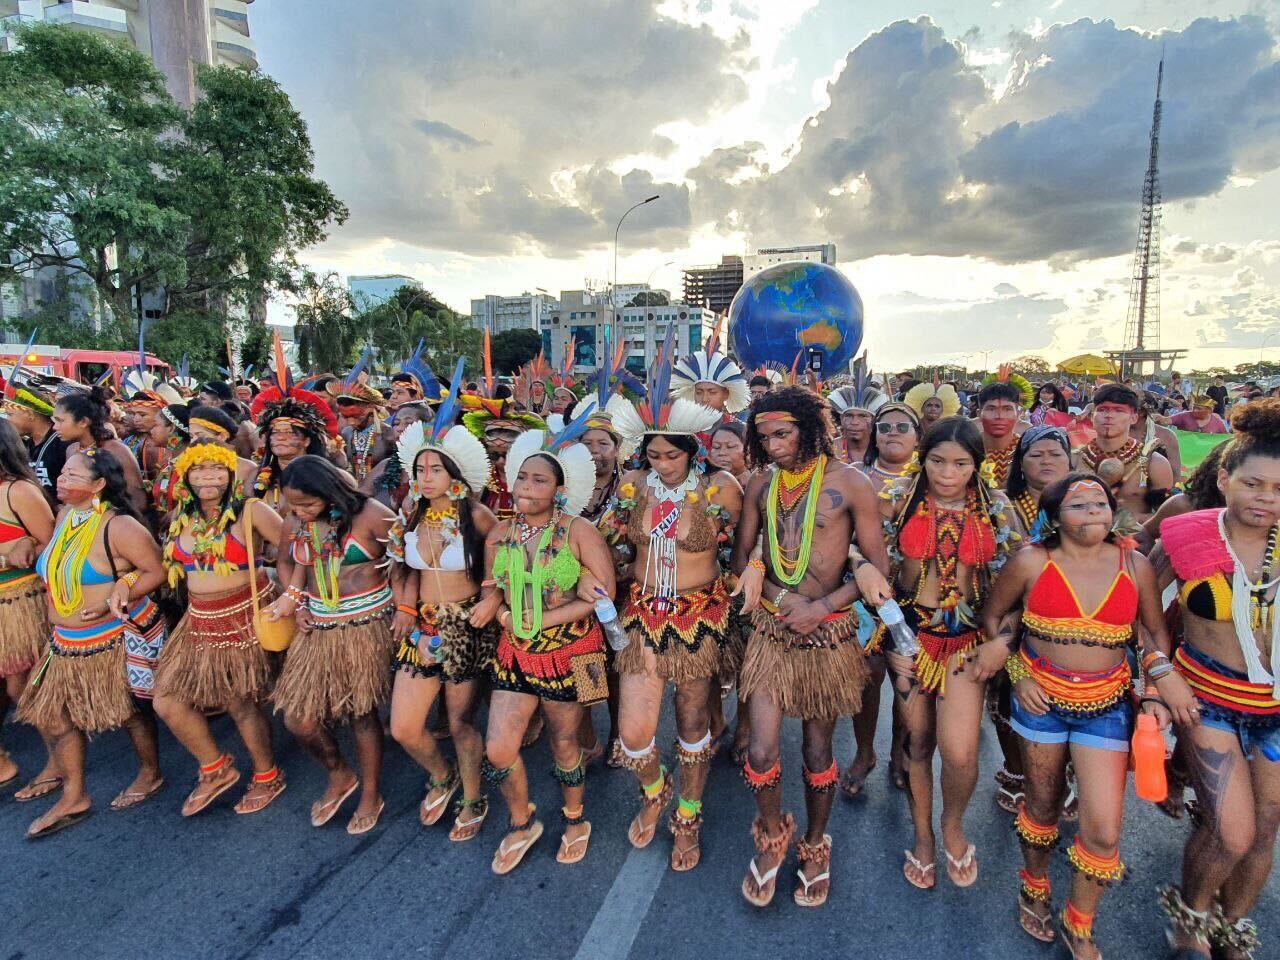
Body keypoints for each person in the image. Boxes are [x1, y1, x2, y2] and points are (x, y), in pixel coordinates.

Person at [976, 474, 1179, 956]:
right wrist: (1018, 673)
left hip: (1107, 706)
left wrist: (1154, 692)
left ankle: (1080, 921)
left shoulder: (1135, 565)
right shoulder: (1031, 561)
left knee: (1104, 831)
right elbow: (994, 617)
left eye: (1099, 503)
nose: (1092, 512)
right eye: (1078, 505)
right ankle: (1034, 887)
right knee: (1042, 807)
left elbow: (1153, 633)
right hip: (1039, 703)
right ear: (1053, 518)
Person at [732, 386, 891, 909]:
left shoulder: (852, 483)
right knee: (760, 750)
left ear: (809, 428)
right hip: (773, 630)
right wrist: (779, 597)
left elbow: (878, 568)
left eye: (782, 434)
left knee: (818, 750)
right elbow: (741, 562)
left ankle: (817, 844)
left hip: (828, 633)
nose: (772, 445)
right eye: (763, 438)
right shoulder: (760, 484)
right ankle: (772, 838)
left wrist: (821, 608)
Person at [1153, 400, 1280, 960]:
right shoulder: (1186, 535)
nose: (1266, 498)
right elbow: (1139, 613)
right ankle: (1192, 919)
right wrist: (1159, 676)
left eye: (1279, 489)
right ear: (1224, 478)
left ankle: (1231, 927)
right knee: (1232, 831)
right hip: (1209, 700)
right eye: (1253, 484)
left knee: (1265, 831)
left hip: (1275, 708)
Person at [603, 386, 742, 872]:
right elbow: (610, 541)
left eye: (672, 455)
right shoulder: (633, 485)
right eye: (654, 455)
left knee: (692, 723)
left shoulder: (720, 488)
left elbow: (741, 549)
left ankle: (688, 815)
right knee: (633, 732)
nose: (662, 464)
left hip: (699, 618)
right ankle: (655, 790)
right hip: (642, 614)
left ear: (692, 450)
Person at [472, 421, 615, 874]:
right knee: (498, 749)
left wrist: (541, 621)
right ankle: (522, 822)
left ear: (559, 490)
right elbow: (492, 587)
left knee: (565, 742)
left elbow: (605, 594)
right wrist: (500, 612)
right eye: (522, 477)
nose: (526, 487)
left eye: (539, 480)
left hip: (572, 652)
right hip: (515, 652)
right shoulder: (500, 533)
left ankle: (575, 818)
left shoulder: (579, 531)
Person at [882, 416, 1014, 891]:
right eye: (937, 461)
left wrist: (1002, 641)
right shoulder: (899, 500)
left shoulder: (996, 508)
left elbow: (1020, 578)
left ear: (977, 464)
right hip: (910, 637)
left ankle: (952, 825)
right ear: (923, 458)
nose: (947, 473)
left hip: (966, 643)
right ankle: (922, 835)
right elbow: (862, 554)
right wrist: (870, 582)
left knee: (959, 753)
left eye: (961, 463)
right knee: (918, 744)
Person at [17, 449, 169, 837]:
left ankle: (150, 772)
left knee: (128, 712)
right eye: (62, 473)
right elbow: (57, 561)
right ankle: (75, 795)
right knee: (53, 715)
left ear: (99, 484)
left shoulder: (119, 526)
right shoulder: (65, 516)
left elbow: (156, 571)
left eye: (72, 475)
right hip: (65, 640)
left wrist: (123, 586)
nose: (61, 480)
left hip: (110, 637)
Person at [386, 386, 499, 841]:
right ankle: (441, 773)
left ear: (454, 474)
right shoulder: (410, 515)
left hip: (466, 627)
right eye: (420, 469)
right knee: (403, 728)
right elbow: (405, 569)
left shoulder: (478, 516)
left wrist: (491, 601)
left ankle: (473, 796)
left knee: (460, 723)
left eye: (435, 469)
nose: (426, 477)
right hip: (422, 626)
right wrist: (405, 607)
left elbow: (496, 572)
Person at [153, 444, 288, 816]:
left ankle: (267, 775)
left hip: (242, 614)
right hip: (199, 620)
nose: (208, 476)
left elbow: (294, 551)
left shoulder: (251, 510)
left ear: (231, 475)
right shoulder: (181, 516)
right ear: (186, 477)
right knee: (166, 700)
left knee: (239, 702)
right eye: (199, 470)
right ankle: (215, 768)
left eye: (217, 469)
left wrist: (291, 595)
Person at [269, 456, 397, 834]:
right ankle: (340, 775)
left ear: (329, 492)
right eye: (293, 505)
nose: (298, 512)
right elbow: (286, 562)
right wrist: (296, 602)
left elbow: (406, 562)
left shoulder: (372, 515)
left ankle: (371, 793)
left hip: (365, 625)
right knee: (298, 719)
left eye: (307, 504)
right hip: (317, 626)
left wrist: (406, 611)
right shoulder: (296, 522)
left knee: (361, 714)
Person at [0, 421, 56, 800]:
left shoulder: (18, 491)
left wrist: (20, 551)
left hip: (21, 603)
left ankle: (58, 763)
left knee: (26, 687)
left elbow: (53, 546)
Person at [1076, 383, 1174, 523]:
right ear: (1092, 416)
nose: (1109, 415)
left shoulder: (1154, 463)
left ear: (1134, 418)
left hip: (1136, 536)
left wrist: (1132, 521)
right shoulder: (1076, 459)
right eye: (1102, 410)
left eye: (1119, 410)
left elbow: (1167, 519)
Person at [51, 387, 148, 515]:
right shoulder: (71, 450)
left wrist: (105, 519)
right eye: (54, 421)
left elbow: (139, 500)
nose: (55, 427)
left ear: (83, 422)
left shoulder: (116, 450)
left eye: (61, 421)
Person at [250, 380, 344, 511]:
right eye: (275, 432)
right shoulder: (255, 477)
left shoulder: (332, 478)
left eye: (289, 432)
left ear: (307, 441)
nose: (280, 437)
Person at [361, 402, 431, 512]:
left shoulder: (437, 468)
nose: (399, 428)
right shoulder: (386, 465)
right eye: (396, 423)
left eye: (408, 423)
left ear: (427, 429)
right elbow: (358, 497)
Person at [4, 381, 67, 502]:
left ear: (30, 414)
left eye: (10, 414)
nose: (8, 420)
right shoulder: (23, 444)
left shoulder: (62, 441)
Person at [331, 375, 395, 484]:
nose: (351, 422)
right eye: (346, 417)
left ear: (370, 408)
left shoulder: (388, 433)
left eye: (356, 416)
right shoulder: (346, 433)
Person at [976, 368, 1034, 489]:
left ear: (1018, 415)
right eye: (991, 409)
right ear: (979, 414)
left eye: (1007, 409)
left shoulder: (1030, 450)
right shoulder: (967, 448)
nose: (999, 416)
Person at [827, 379, 886, 465]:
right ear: (842, 419)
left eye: (863, 416)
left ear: (874, 420)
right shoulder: (829, 450)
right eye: (849, 416)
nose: (854, 422)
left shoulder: (885, 449)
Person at [708, 421, 751, 488]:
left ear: (748, 450)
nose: (721, 453)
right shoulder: (699, 482)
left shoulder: (761, 481)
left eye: (731, 446)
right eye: (716, 447)